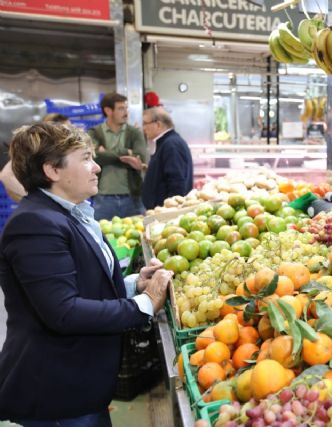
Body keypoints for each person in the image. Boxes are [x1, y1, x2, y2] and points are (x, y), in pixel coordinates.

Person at [0, 123, 173, 425]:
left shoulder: (69, 212)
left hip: (81, 383)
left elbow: (81, 283)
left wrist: (133, 284)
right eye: (85, 158)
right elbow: (63, 311)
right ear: (52, 170)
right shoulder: (35, 224)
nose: (96, 167)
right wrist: (144, 304)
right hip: (57, 391)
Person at [88, 92, 148, 220]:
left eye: (126, 108)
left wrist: (106, 153)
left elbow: (141, 158)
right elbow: (94, 157)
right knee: (101, 236)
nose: (126, 112)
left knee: (139, 236)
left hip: (132, 197)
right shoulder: (94, 132)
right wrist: (127, 152)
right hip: (103, 198)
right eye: (121, 108)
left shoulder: (134, 133)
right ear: (108, 111)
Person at [141, 107, 193, 210]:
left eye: (145, 123)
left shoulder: (171, 144)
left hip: (166, 212)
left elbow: (177, 181)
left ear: (158, 124)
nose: (144, 128)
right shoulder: (165, 143)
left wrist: (171, 210)